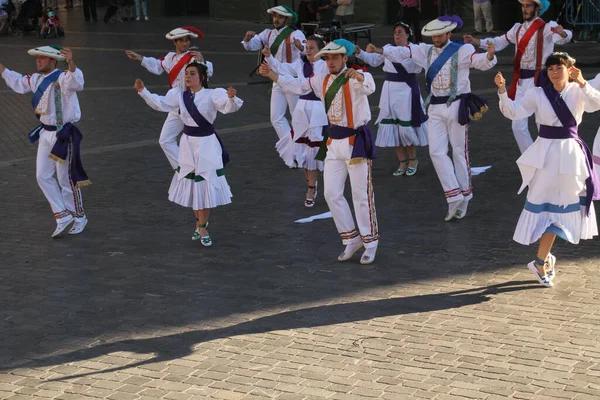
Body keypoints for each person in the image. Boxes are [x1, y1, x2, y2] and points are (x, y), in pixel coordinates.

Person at [259, 39, 380, 264]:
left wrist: (361, 76)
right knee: (331, 193)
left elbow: (369, 86)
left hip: (356, 142)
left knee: (360, 194)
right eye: (328, 57)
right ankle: (351, 238)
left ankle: (370, 241)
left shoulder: (354, 76)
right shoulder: (320, 80)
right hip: (333, 142)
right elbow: (297, 85)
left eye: (335, 57)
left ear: (345, 58)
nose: (331, 61)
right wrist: (272, 76)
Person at [366, 15, 497, 221]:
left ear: (448, 33)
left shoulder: (462, 49)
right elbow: (403, 52)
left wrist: (488, 56)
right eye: (433, 35)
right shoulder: (424, 50)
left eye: (439, 35)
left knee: (459, 153)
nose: (436, 38)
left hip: (457, 106)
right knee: (436, 152)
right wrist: (382, 50)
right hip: (435, 107)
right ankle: (453, 194)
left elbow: (478, 62)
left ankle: (466, 195)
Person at [494, 52, 600, 287]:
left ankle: (542, 258)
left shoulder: (578, 90)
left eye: (559, 68)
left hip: (571, 156)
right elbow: (514, 112)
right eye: (550, 68)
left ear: (568, 69)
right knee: (545, 207)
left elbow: (597, 104)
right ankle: (541, 259)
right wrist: (502, 91)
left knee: (562, 209)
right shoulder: (537, 94)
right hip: (546, 156)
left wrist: (583, 83)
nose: (554, 72)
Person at [135, 62, 243, 246]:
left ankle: (202, 226)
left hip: (207, 145)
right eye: (186, 73)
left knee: (206, 185)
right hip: (187, 145)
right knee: (193, 185)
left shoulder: (211, 94)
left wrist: (231, 98)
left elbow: (228, 107)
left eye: (192, 73)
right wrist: (143, 91)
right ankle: (200, 222)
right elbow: (161, 103)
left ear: (201, 77)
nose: (187, 76)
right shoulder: (178, 95)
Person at [0, 46, 89, 237]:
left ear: (53, 61)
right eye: (37, 58)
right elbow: (17, 81)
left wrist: (71, 62)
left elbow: (77, 82)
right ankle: (62, 215)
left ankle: (79, 216)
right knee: (42, 175)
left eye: (42, 58)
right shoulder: (36, 79)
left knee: (65, 178)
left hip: (64, 134)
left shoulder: (63, 78)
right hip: (45, 134)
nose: (38, 61)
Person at [464, 0, 572, 153]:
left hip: (540, 81)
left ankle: (549, 160)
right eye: (523, 6)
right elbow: (498, 42)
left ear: (537, 8)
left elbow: (562, 37)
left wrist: (562, 32)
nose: (524, 9)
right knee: (517, 126)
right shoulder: (517, 29)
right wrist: (476, 41)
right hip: (521, 82)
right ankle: (531, 159)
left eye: (528, 6)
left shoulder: (547, 27)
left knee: (543, 123)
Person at [125, 26, 212, 170]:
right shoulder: (170, 57)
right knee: (165, 140)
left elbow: (206, 75)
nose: (186, 44)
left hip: (191, 103)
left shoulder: (193, 57)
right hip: (176, 103)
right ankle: (184, 169)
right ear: (175, 43)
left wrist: (202, 61)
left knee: (196, 140)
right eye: (182, 41)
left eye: (187, 40)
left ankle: (200, 169)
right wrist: (139, 58)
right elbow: (159, 66)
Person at [263, 35, 328, 207]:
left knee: (312, 151)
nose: (308, 51)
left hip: (317, 112)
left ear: (321, 50)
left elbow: (302, 84)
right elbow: (282, 68)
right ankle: (311, 183)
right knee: (303, 151)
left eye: (312, 48)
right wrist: (269, 57)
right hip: (302, 111)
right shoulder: (300, 64)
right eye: (307, 48)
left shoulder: (325, 66)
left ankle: (311, 187)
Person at [356, 21, 427, 177]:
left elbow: (401, 57)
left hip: (406, 91)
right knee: (393, 127)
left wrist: (380, 50)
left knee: (405, 127)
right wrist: (359, 52)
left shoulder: (414, 50)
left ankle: (413, 159)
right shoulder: (388, 48)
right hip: (389, 91)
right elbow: (374, 60)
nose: (396, 34)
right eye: (395, 32)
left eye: (400, 32)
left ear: (407, 34)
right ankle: (402, 161)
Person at [242, 6, 306, 165]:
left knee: (296, 117)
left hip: (292, 79)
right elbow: (252, 46)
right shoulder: (267, 33)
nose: (276, 20)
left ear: (286, 19)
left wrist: (301, 48)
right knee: (276, 117)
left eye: (280, 17)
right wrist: (248, 39)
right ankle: (292, 151)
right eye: (275, 17)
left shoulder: (295, 33)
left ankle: (302, 153)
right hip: (276, 78)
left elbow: (306, 50)